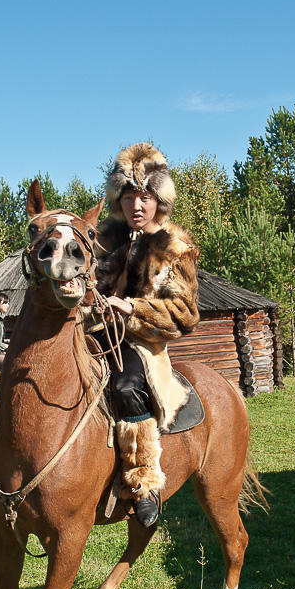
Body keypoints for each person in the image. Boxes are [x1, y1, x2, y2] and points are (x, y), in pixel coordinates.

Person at [94, 142, 200, 527]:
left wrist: (134, 309)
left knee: (124, 386)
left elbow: (185, 315)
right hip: (94, 333)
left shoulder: (175, 247)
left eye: (144, 197)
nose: (136, 206)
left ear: (158, 199)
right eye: (128, 197)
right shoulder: (104, 238)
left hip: (142, 343)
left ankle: (144, 480)